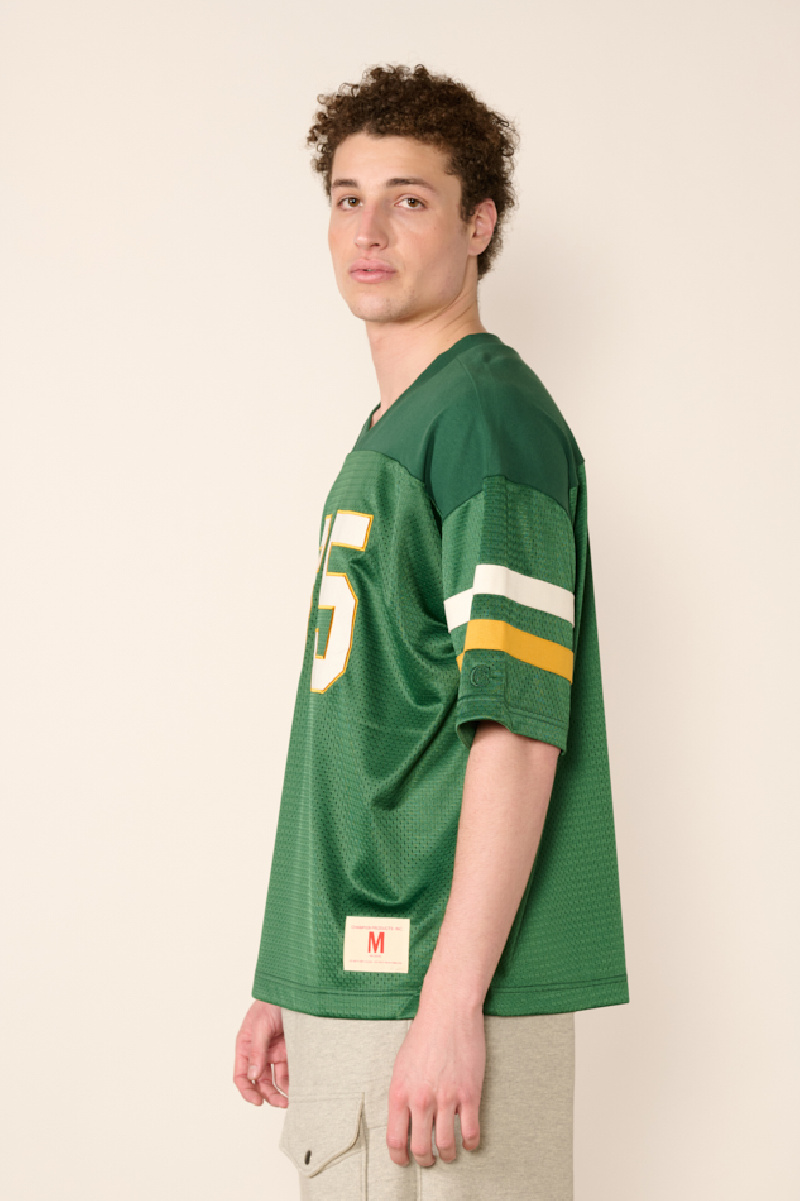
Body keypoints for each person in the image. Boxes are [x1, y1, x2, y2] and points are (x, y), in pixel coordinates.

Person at [233, 63, 629, 1199]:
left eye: (409, 199)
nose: (368, 229)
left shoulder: (486, 420)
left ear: (478, 222)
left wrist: (451, 1004)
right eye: (347, 197)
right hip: (362, 981)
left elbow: (517, 729)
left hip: (435, 989)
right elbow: (368, 721)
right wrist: (294, 965)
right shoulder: (403, 423)